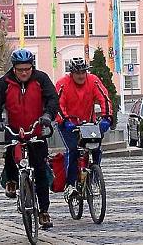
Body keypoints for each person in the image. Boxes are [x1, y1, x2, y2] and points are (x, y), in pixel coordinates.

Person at [0, 48, 59, 229]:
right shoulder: (5, 82)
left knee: (41, 171)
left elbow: (52, 99)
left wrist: (48, 116)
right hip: (13, 128)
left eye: (27, 69)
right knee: (11, 154)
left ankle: (43, 212)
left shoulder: (41, 79)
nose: (24, 72)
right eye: (20, 70)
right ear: (14, 68)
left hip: (36, 129)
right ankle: (11, 181)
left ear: (32, 67)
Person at [55, 57, 113, 200]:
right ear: (71, 73)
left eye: (83, 72)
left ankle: (94, 174)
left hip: (88, 123)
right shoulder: (62, 84)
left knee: (96, 149)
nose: (81, 76)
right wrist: (65, 121)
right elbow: (58, 105)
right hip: (69, 123)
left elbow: (104, 98)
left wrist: (107, 118)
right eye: (77, 73)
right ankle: (70, 185)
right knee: (73, 150)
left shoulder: (93, 80)